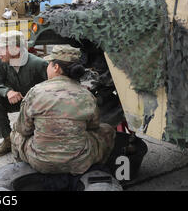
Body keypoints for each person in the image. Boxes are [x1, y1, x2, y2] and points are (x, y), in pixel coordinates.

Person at [10, 45, 116, 175]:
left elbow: (24, 129)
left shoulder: (35, 92)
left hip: (39, 161)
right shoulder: (86, 95)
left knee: (16, 130)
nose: (47, 67)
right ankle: (97, 171)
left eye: (49, 64)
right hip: (79, 162)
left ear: (56, 67)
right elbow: (93, 126)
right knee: (107, 130)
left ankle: (21, 171)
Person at [0, 30, 48, 157]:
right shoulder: (0, 60)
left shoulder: (38, 64)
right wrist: (7, 92)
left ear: (16, 49)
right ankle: (8, 140)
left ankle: (37, 141)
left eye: (2, 48)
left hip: (36, 104)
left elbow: (53, 88)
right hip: (14, 100)